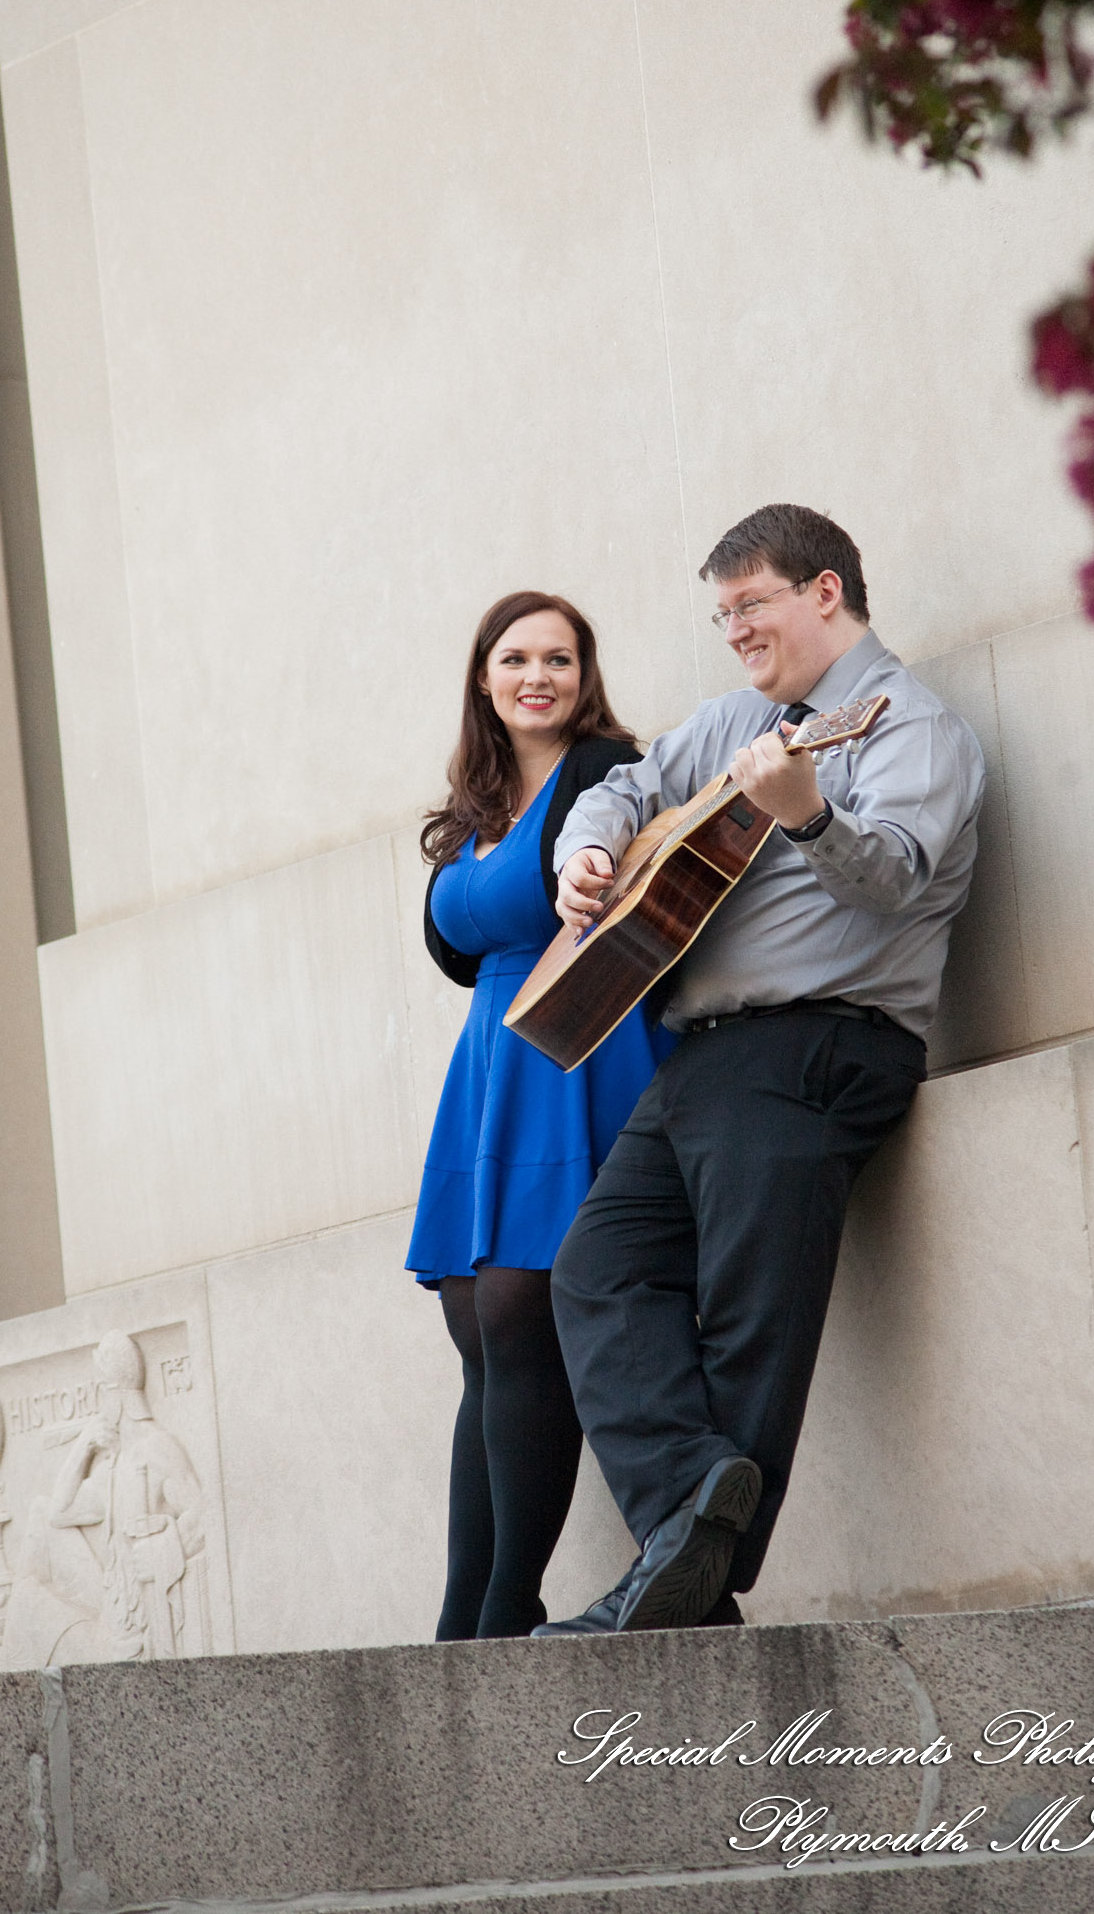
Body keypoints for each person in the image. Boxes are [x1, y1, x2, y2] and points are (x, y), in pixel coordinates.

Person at [535, 504, 986, 1635]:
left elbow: (894, 881)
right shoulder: (737, 718)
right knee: (592, 1270)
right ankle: (689, 1514)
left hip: (820, 1044)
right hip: (703, 1053)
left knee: (751, 1318)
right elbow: (624, 788)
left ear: (826, 591)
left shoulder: (912, 727)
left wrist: (810, 817)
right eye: (722, 612)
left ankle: (674, 1591)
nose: (734, 630)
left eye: (751, 604)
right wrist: (587, 848)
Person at [408, 590, 674, 1639]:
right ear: (484, 677)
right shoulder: (473, 804)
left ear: (583, 675)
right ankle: (462, 1619)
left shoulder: (605, 768)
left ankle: (508, 1602)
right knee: (477, 1329)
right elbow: (452, 944)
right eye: (516, 658)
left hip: (577, 1048)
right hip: (490, 1062)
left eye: (559, 659)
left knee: (524, 1311)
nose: (538, 676)